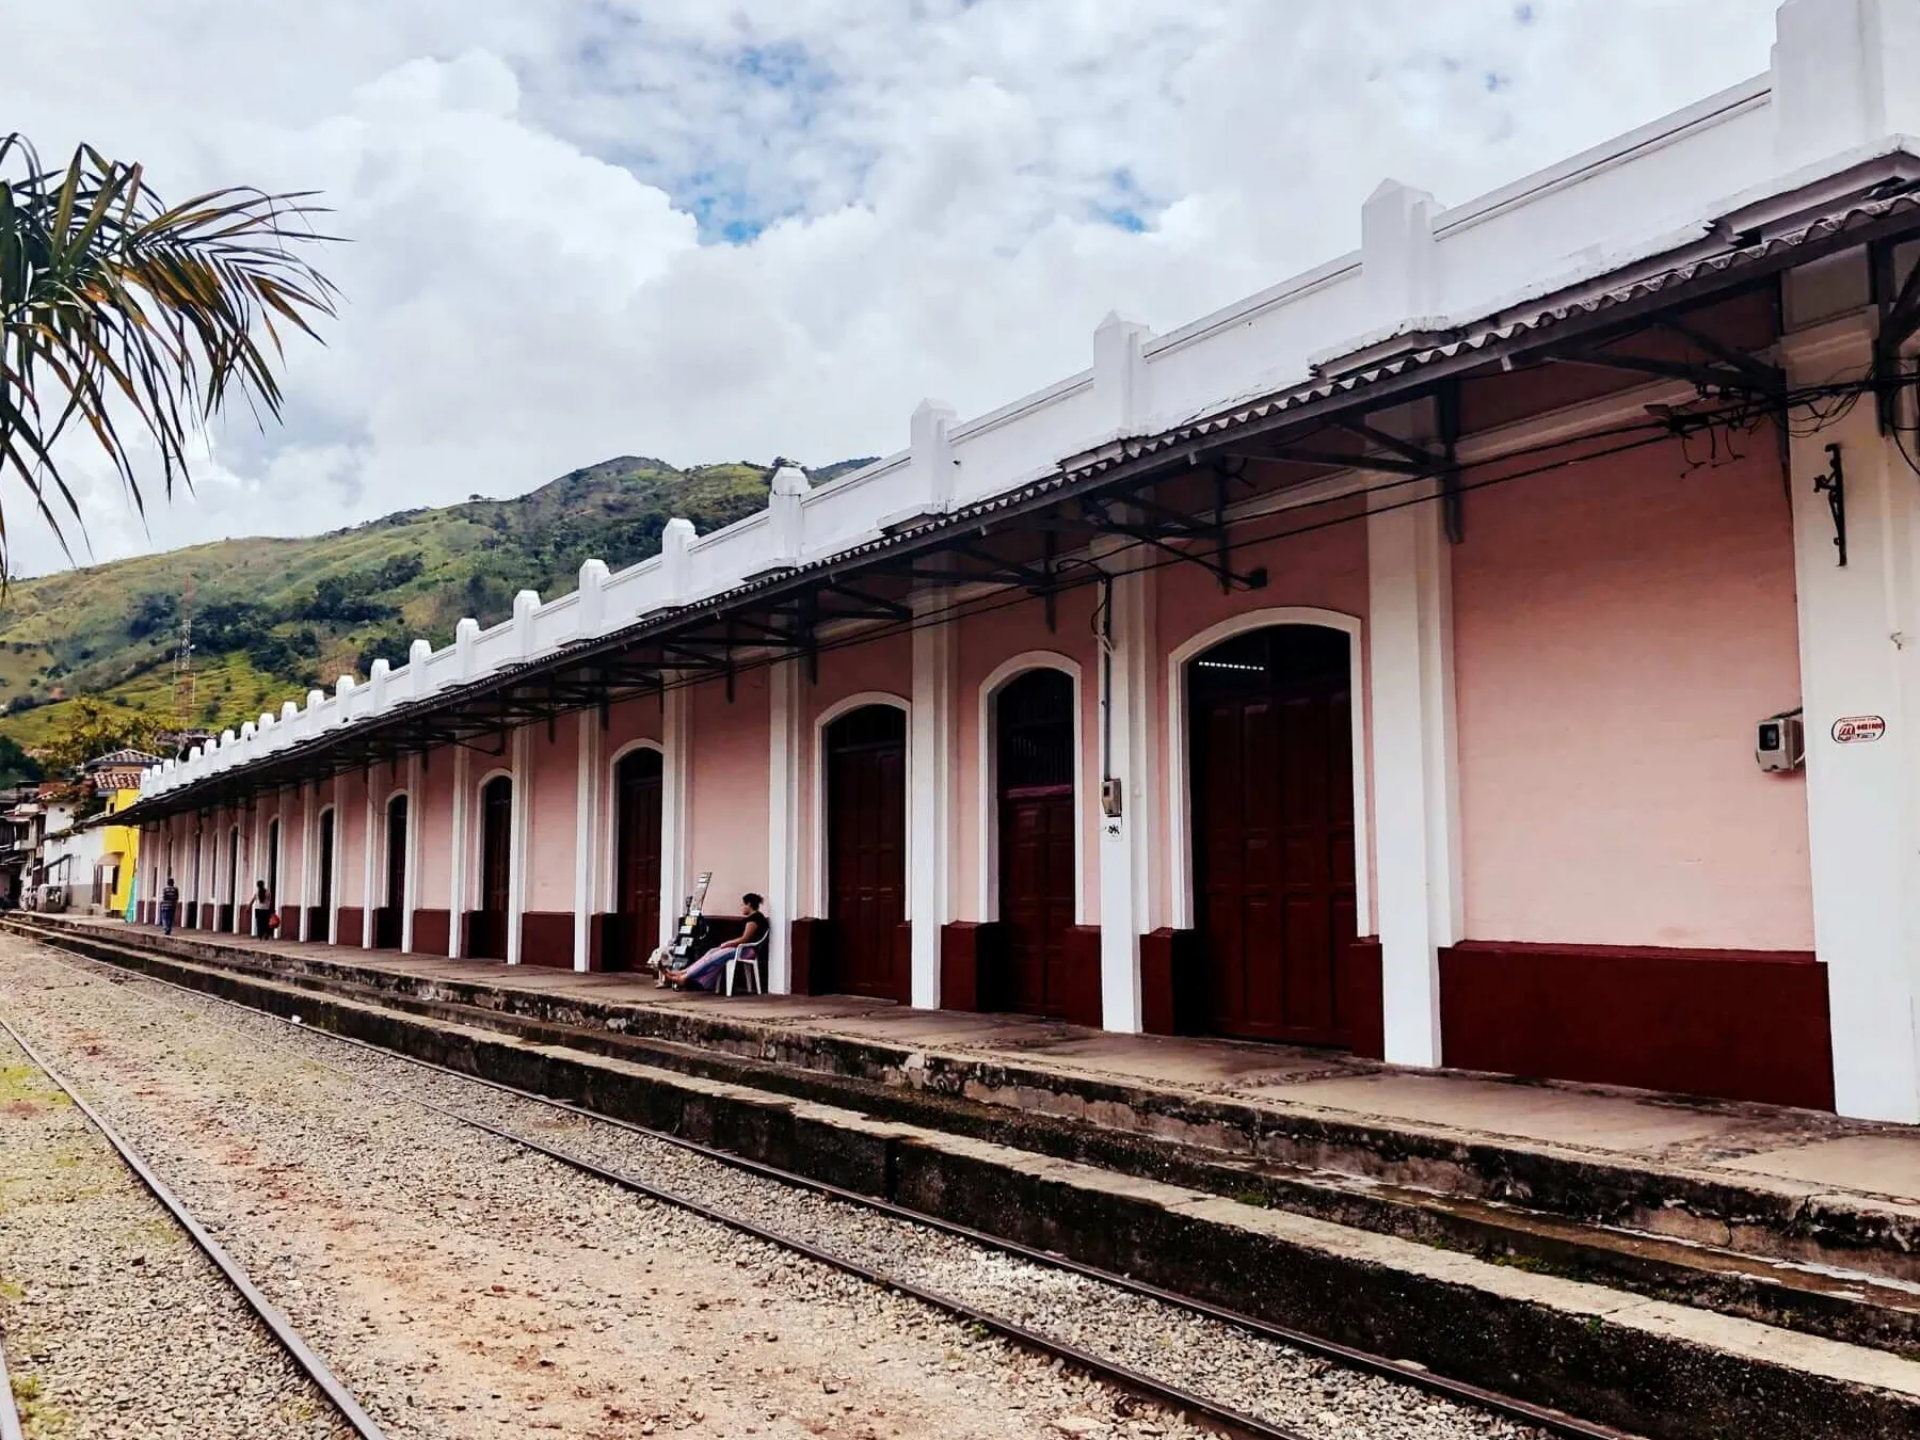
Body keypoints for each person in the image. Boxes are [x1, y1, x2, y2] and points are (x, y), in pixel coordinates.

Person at [661, 894, 767, 993]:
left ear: (749, 904)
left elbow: (745, 939)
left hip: (746, 950)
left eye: (743, 904)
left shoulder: (754, 919)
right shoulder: (752, 918)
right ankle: (683, 973)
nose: (742, 907)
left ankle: (684, 976)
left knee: (712, 959)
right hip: (740, 948)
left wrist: (727, 944)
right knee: (710, 953)